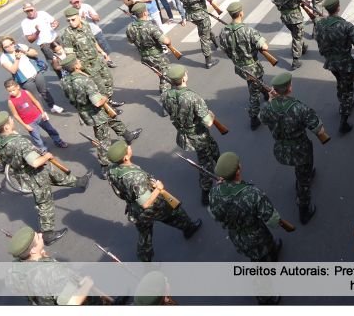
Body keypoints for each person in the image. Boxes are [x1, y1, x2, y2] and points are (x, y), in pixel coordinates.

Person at [0, 111, 91, 245]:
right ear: (7, 127)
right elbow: (35, 162)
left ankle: (80, 182)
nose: (13, 121)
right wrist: (47, 156)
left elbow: (3, 159)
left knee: (55, 176)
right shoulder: (20, 143)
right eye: (10, 121)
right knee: (44, 203)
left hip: (22, 172)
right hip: (34, 174)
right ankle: (47, 234)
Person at [208, 151, 284, 304]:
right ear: (238, 170)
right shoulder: (252, 193)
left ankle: (271, 251)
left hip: (237, 235)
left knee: (261, 255)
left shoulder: (214, 193)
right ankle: (264, 297)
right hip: (257, 235)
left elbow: (214, 215)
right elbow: (273, 221)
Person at [106, 140, 202, 262]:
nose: (129, 147)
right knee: (175, 212)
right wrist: (159, 188)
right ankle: (188, 228)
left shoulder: (112, 170)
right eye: (127, 148)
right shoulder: (135, 177)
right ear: (125, 157)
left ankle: (145, 259)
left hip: (134, 208)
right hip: (150, 205)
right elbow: (146, 203)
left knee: (144, 235)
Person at [259, 72, 329, 224]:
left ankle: (305, 177)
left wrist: (271, 101)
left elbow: (262, 118)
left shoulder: (267, 108)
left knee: (301, 171)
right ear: (289, 89)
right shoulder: (299, 107)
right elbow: (320, 130)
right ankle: (304, 210)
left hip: (281, 150)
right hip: (301, 151)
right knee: (303, 180)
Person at [60, 55, 142, 178]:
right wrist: (104, 97)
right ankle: (105, 166)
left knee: (113, 119)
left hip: (85, 111)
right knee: (103, 140)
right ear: (76, 66)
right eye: (78, 61)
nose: (80, 61)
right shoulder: (84, 81)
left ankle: (127, 135)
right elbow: (97, 102)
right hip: (95, 113)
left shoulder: (64, 81)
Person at [161, 64, 220, 205]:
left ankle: (222, 165)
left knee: (213, 147)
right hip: (198, 135)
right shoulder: (193, 97)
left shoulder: (165, 96)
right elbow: (208, 122)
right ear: (184, 77)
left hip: (183, 133)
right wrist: (211, 114)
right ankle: (206, 191)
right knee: (205, 164)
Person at [315, 0, 354, 134]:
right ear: (338, 7)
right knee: (348, 89)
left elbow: (319, 40)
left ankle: (343, 103)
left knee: (340, 82)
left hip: (331, 62)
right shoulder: (345, 25)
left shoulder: (319, 25)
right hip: (345, 63)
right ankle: (344, 119)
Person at [6, 226, 95, 305]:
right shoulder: (53, 273)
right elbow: (72, 302)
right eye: (38, 237)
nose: (41, 235)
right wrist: (87, 284)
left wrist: (41, 257)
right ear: (33, 250)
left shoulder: (14, 269)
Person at [218, 2, 270, 130]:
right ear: (241, 13)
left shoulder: (223, 32)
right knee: (254, 93)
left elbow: (225, 50)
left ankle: (265, 92)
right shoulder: (249, 31)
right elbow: (264, 46)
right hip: (252, 67)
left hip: (239, 67)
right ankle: (253, 117)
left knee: (256, 84)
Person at [61, 7, 122, 107]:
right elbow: (70, 56)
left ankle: (109, 100)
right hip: (87, 66)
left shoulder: (85, 25)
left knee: (109, 81)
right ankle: (108, 109)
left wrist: (101, 51)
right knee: (100, 88)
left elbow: (93, 41)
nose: (71, 22)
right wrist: (79, 70)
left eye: (73, 19)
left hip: (98, 59)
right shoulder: (68, 35)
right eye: (68, 21)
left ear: (79, 17)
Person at [0, 35, 64, 114]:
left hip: (36, 72)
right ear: (2, 48)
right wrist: (17, 59)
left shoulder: (20, 46)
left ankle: (52, 106)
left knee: (44, 91)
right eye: (6, 46)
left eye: (11, 44)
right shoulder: (4, 58)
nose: (10, 47)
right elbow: (13, 70)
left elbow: (35, 53)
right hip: (25, 80)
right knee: (35, 96)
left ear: (13, 42)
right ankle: (42, 112)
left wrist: (25, 51)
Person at [173, 0, 219, 69]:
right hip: (201, 13)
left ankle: (215, 42)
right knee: (203, 36)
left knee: (204, 29)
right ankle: (208, 61)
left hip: (190, 14)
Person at [5, 79, 68, 152]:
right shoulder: (11, 101)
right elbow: (15, 115)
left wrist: (42, 112)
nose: (12, 92)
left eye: (13, 90)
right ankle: (43, 149)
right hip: (29, 122)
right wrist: (25, 126)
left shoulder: (26, 93)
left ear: (18, 87)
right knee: (37, 138)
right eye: (9, 91)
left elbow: (36, 102)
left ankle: (58, 141)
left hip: (39, 116)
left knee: (51, 129)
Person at [125, 3, 173, 96]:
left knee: (161, 73)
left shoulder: (130, 27)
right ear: (145, 13)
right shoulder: (150, 26)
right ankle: (165, 95)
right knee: (166, 74)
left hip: (144, 57)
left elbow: (131, 41)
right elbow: (166, 41)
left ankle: (165, 88)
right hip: (157, 56)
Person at [270, 0, 311, 69]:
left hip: (285, 17)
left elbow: (274, 1)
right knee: (297, 35)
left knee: (296, 33)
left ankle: (302, 47)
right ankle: (295, 60)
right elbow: (305, 0)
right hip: (295, 17)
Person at [68, 0, 116, 68]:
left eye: (78, 2)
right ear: (71, 3)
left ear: (80, 0)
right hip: (85, 35)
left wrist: (92, 16)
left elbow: (97, 18)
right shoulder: (72, 13)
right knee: (93, 52)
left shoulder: (86, 6)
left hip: (95, 32)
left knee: (105, 48)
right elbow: (73, 25)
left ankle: (108, 60)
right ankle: (100, 65)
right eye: (74, 3)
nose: (77, 4)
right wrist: (81, 20)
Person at [20, 2, 61, 73]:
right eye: (27, 11)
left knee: (68, 58)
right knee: (56, 65)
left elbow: (54, 22)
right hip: (45, 45)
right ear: (24, 11)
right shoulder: (25, 23)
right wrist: (37, 32)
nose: (30, 12)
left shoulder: (43, 13)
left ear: (34, 8)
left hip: (55, 39)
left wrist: (56, 24)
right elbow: (30, 40)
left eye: (31, 10)